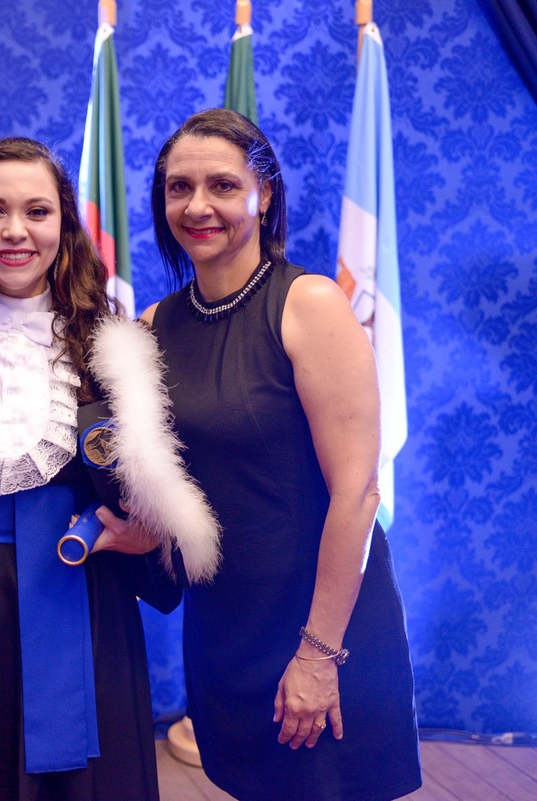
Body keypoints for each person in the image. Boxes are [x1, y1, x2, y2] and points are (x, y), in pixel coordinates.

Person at [138, 109, 422, 801]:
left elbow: (358, 492)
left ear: (263, 195)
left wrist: (319, 653)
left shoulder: (310, 304)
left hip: (321, 625)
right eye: (179, 188)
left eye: (222, 186)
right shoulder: (152, 326)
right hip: (223, 625)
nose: (197, 206)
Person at [0, 137, 178, 801]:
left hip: (81, 587)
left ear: (64, 225)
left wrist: (151, 533)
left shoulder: (115, 343)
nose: (15, 230)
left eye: (37, 211)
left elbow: (162, 477)